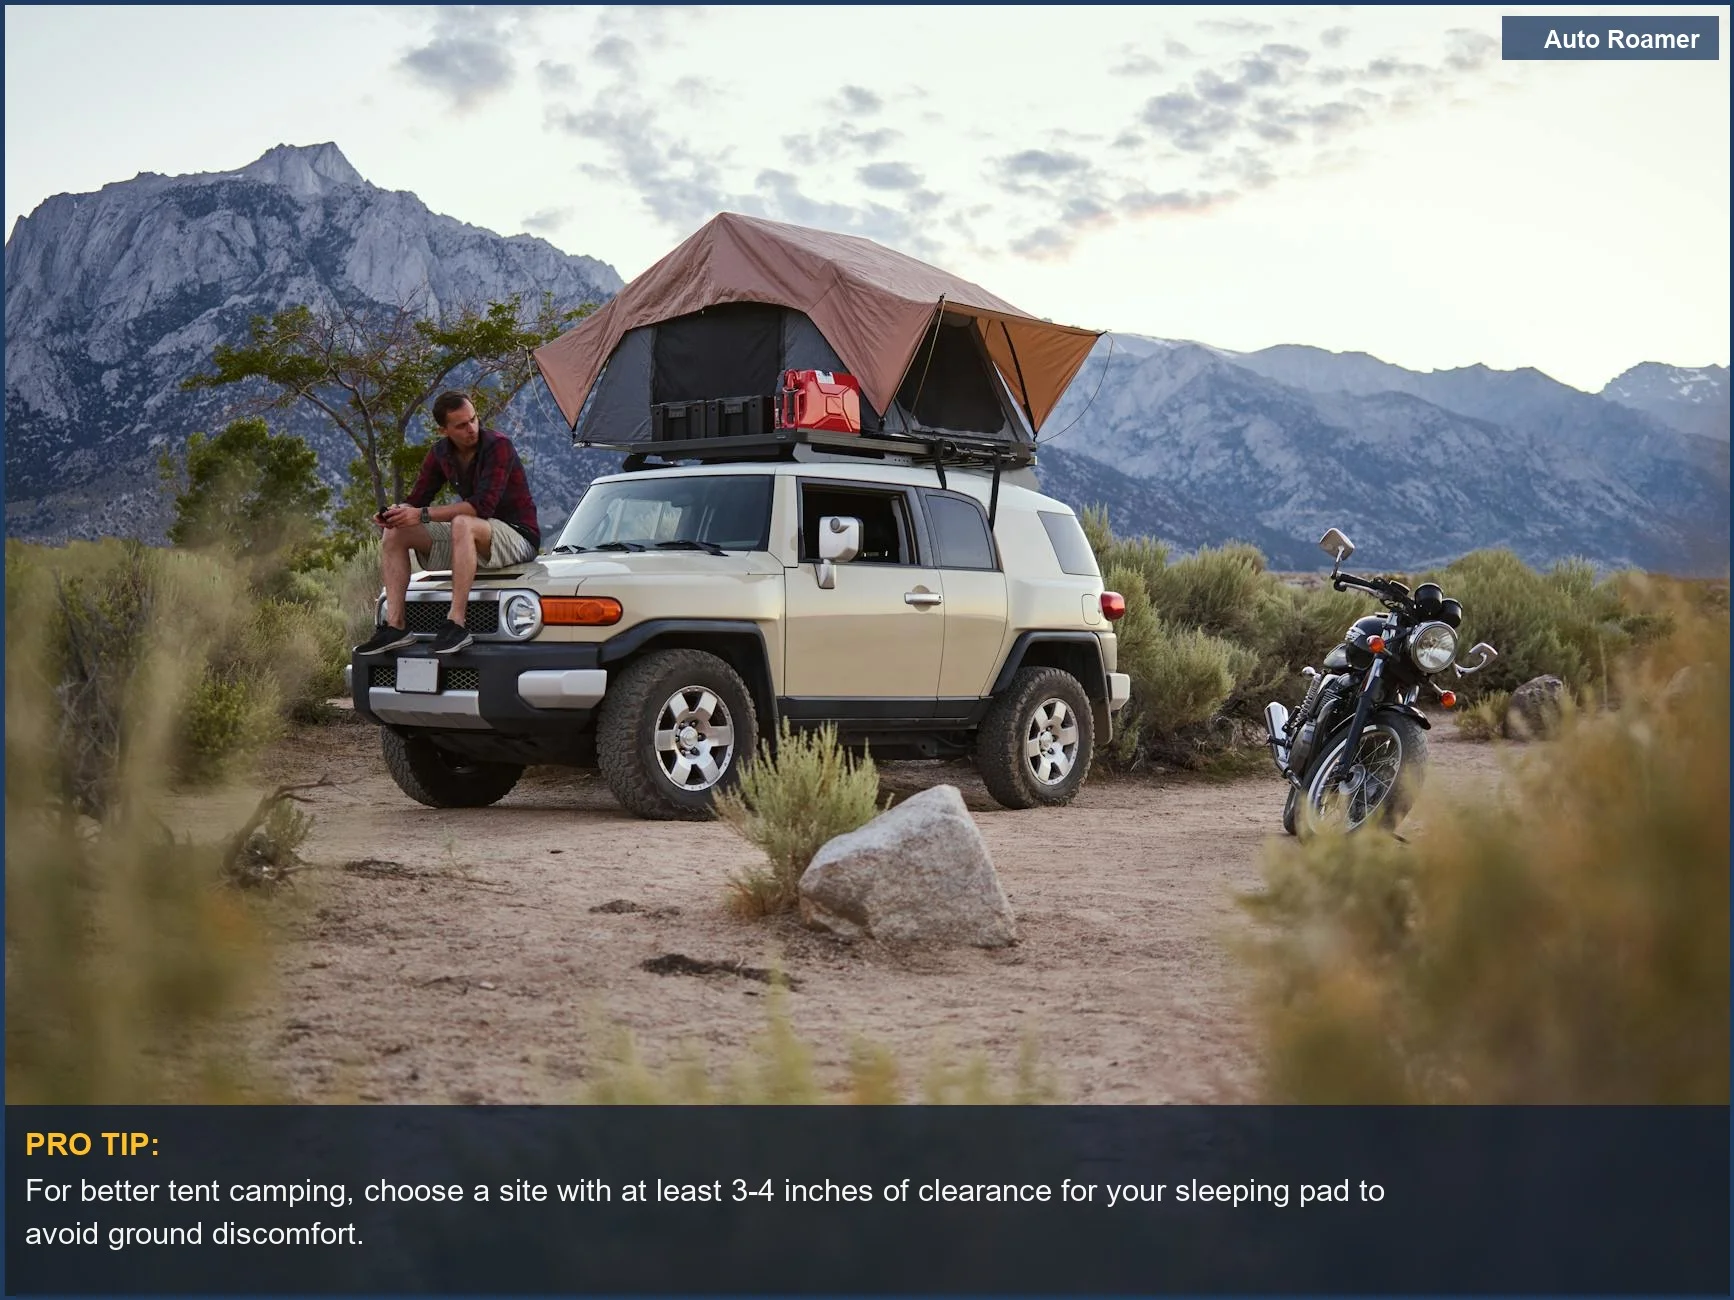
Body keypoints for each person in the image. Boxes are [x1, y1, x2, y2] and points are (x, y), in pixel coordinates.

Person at [354, 390, 542, 657]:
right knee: (396, 532)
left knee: (463, 522)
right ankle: (395, 626)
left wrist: (422, 514)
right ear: (444, 430)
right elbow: (418, 498)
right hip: (475, 536)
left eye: (474, 420)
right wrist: (396, 513)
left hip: (518, 536)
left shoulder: (498, 446)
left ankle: (456, 623)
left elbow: (482, 507)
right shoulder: (440, 453)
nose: (472, 428)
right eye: (462, 425)